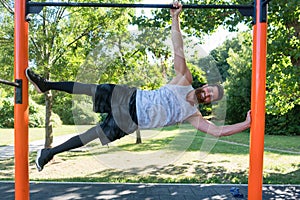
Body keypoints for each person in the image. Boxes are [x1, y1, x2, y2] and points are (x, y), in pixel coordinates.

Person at [26, 2, 251, 172]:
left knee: (90, 135)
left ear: (208, 101)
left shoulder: (193, 115)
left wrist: (246, 123)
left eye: (212, 97)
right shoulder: (184, 78)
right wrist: (175, 17)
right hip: (131, 98)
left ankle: (48, 153)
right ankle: (46, 85)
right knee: (90, 89)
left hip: (131, 121)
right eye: (211, 89)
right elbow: (177, 47)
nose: (209, 94)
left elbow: (218, 131)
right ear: (206, 86)